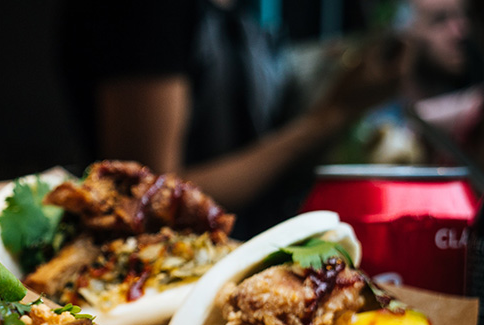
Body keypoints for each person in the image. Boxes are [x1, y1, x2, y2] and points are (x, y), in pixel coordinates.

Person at [62, 0, 411, 239]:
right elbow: (150, 196)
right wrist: (330, 116)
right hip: (164, 272)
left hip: (239, 254)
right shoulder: (148, 12)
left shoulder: (244, 11)